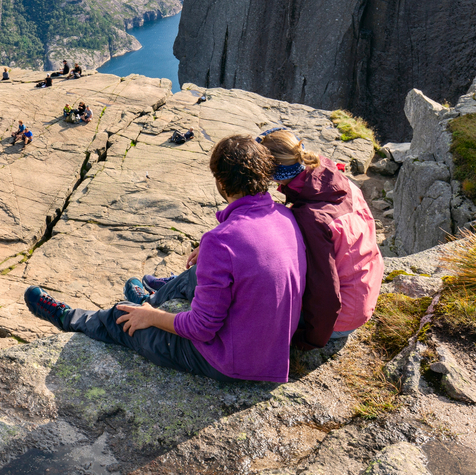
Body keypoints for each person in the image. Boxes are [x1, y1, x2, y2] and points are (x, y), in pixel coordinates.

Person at [25, 135, 306, 383]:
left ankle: (69, 317)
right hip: (271, 348)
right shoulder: (283, 216)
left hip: (231, 361)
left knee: (121, 320)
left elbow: (202, 329)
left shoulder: (222, 241)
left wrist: (153, 318)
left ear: (221, 183)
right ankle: (147, 300)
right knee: (195, 273)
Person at [257, 128, 384, 349]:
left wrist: (308, 340)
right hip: (365, 291)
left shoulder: (311, 218)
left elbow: (324, 289)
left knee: (250, 298)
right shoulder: (335, 179)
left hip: (341, 319)